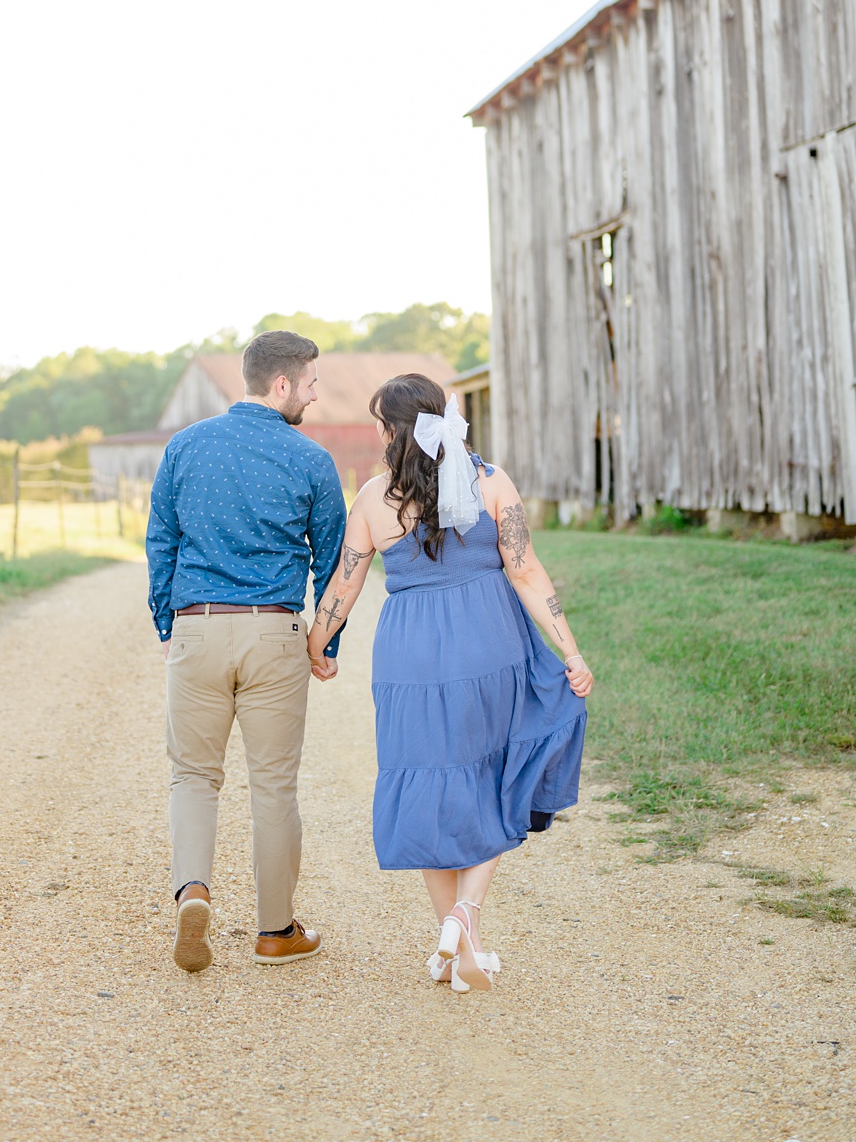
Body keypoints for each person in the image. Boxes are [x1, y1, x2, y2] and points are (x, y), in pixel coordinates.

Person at [306, 372, 591, 993]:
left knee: (430, 783)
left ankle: (459, 944)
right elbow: (526, 569)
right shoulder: (491, 482)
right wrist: (570, 651)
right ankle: (468, 918)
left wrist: (318, 641)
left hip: (410, 657)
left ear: (390, 432)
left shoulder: (375, 499)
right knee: (491, 774)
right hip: (488, 642)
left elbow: (346, 585)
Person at [144, 329, 349, 972]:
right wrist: (325, 640)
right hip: (273, 634)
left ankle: (193, 893)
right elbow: (337, 560)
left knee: (194, 776)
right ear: (282, 384)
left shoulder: (184, 447)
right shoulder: (311, 461)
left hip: (198, 626)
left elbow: (161, 543)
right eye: (311, 384)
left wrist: (168, 626)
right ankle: (275, 930)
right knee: (273, 785)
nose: (316, 397)